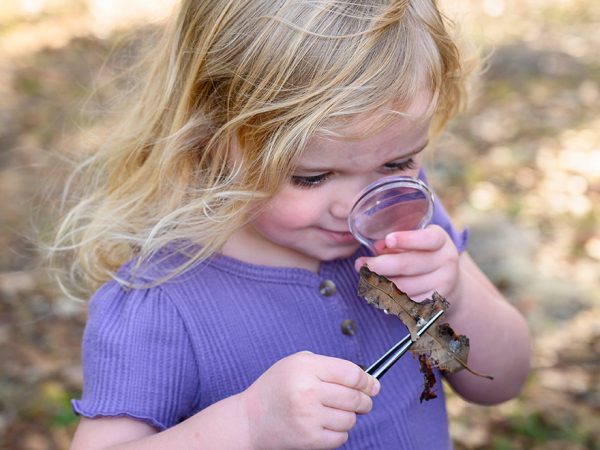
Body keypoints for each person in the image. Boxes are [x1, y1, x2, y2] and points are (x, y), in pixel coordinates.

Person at [53, 1, 532, 448]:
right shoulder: (162, 298)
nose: (358, 206)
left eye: (397, 162)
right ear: (209, 142)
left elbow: (502, 381)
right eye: (312, 176)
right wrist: (247, 422)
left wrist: (457, 302)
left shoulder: (403, 220)